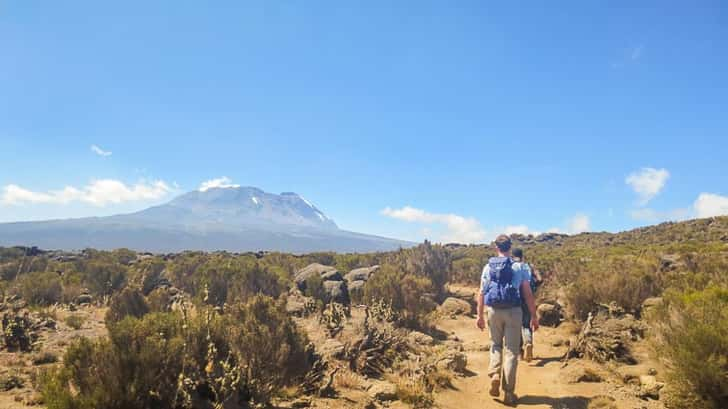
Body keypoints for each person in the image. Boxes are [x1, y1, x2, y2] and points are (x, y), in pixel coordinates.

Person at [477, 235, 538, 406]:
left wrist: (479, 315)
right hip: (514, 311)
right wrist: (533, 316)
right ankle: (509, 393)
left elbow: (481, 292)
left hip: (494, 311)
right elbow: (527, 293)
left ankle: (494, 374)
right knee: (511, 351)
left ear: (496, 247)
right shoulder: (519, 267)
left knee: (495, 345)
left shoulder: (487, 267)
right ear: (510, 248)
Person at [512, 247, 542, 362]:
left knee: (516, 326)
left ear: (512, 256)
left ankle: (520, 352)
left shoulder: (512, 266)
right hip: (528, 298)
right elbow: (540, 280)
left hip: (515, 299)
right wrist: (532, 289)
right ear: (522, 256)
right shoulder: (529, 266)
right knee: (526, 324)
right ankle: (528, 342)